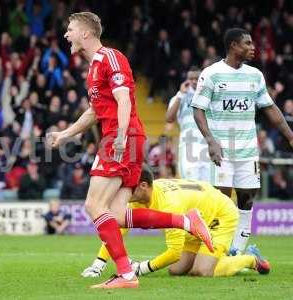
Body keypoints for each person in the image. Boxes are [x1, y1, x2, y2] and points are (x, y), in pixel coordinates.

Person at [48, 12, 213, 289]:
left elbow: (124, 98)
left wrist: (121, 136)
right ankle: (186, 221)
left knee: (93, 205)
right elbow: (94, 111)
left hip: (121, 138)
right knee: (117, 214)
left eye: (71, 29)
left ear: (86, 33)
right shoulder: (93, 68)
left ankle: (125, 274)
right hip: (123, 137)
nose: (67, 34)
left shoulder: (110, 57)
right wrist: (65, 135)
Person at [191, 28, 293, 255]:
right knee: (222, 201)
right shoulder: (211, 73)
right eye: (247, 43)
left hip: (247, 151)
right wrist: (210, 141)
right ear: (233, 46)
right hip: (223, 150)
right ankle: (217, 249)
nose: (253, 47)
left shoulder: (255, 75)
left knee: (247, 201)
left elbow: (270, 108)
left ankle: (237, 251)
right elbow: (198, 110)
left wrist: (290, 136)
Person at [81, 167, 270, 278]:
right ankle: (219, 256)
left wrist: (142, 268)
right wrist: (100, 262)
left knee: (202, 271)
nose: (124, 192)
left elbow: (173, 252)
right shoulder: (142, 196)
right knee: (176, 270)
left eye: (128, 188)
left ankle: (251, 259)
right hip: (197, 216)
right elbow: (118, 228)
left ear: (143, 186)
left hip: (219, 215)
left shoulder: (169, 205)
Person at [165, 66, 210, 181]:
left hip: (208, 145)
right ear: (187, 79)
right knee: (191, 185)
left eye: (197, 78)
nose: (194, 81)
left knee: (209, 188)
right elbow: (169, 118)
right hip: (188, 146)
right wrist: (180, 94)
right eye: (191, 78)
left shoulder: (210, 95)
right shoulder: (179, 97)